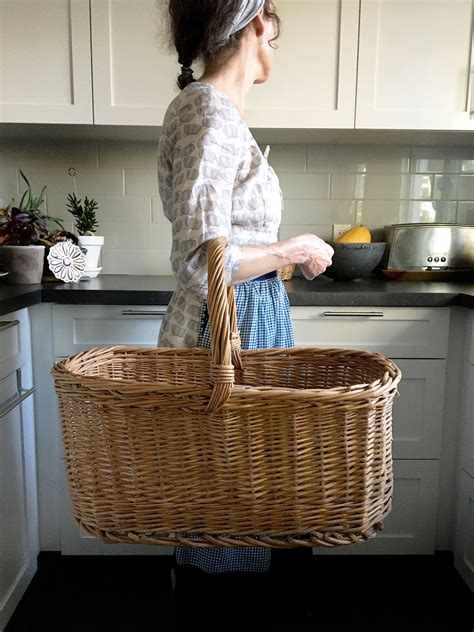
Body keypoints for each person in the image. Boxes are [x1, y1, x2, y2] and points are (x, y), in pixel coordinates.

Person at [157, 0, 334, 581]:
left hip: (243, 318)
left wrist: (282, 260)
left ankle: (232, 596)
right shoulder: (208, 112)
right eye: (275, 30)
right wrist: (293, 249)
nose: (274, 41)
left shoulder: (214, 112)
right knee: (226, 479)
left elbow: (220, 244)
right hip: (229, 328)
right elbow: (197, 260)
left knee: (236, 479)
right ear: (257, 22)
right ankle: (224, 612)